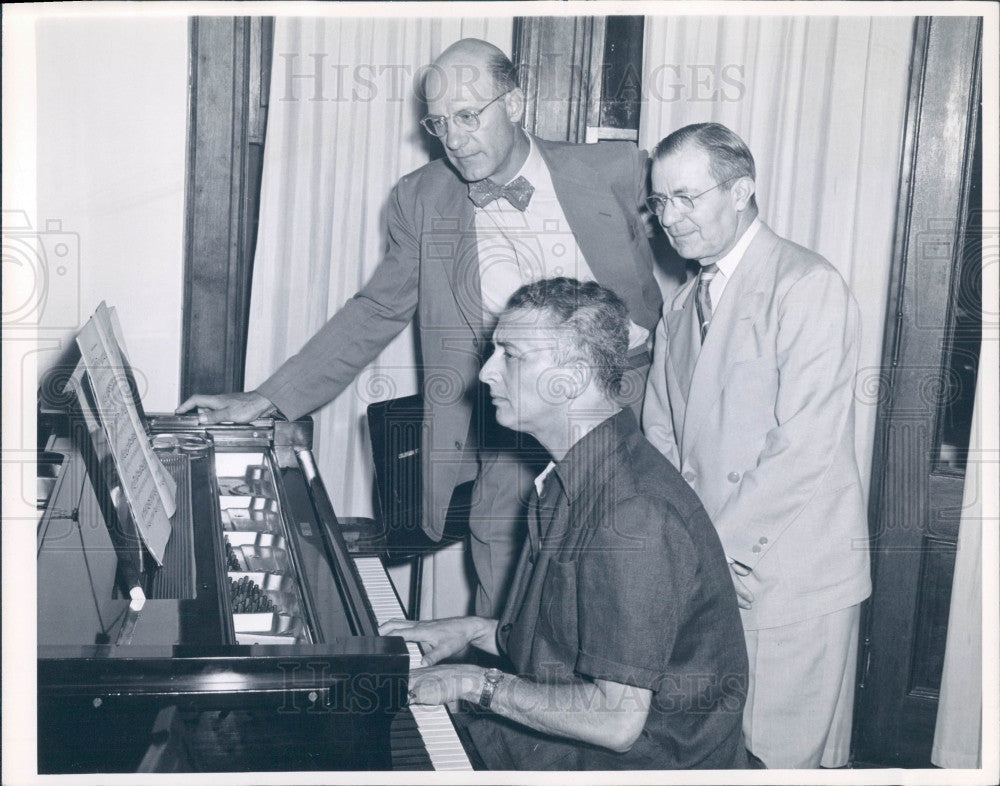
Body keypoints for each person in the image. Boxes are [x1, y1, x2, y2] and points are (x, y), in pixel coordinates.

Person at [176, 38, 661, 617]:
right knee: (506, 598)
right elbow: (375, 310)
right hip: (513, 433)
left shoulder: (616, 171)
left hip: (627, 417)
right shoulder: (423, 200)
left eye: (467, 116)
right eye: (438, 123)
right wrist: (267, 398)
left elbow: (698, 261)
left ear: (516, 102)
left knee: (628, 590)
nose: (453, 139)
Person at [382, 278, 749, 770]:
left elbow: (615, 721)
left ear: (572, 379)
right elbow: (562, 643)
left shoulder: (633, 515)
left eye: (511, 356)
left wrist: (473, 682)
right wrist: (472, 631)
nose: (486, 374)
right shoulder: (576, 471)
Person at [641, 122, 871, 768]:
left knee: (775, 760)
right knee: (715, 754)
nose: (669, 218)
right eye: (659, 203)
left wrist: (705, 560)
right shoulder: (681, 306)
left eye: (687, 197)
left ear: (741, 190)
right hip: (709, 580)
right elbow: (660, 439)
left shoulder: (807, 286)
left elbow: (803, 450)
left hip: (787, 583)